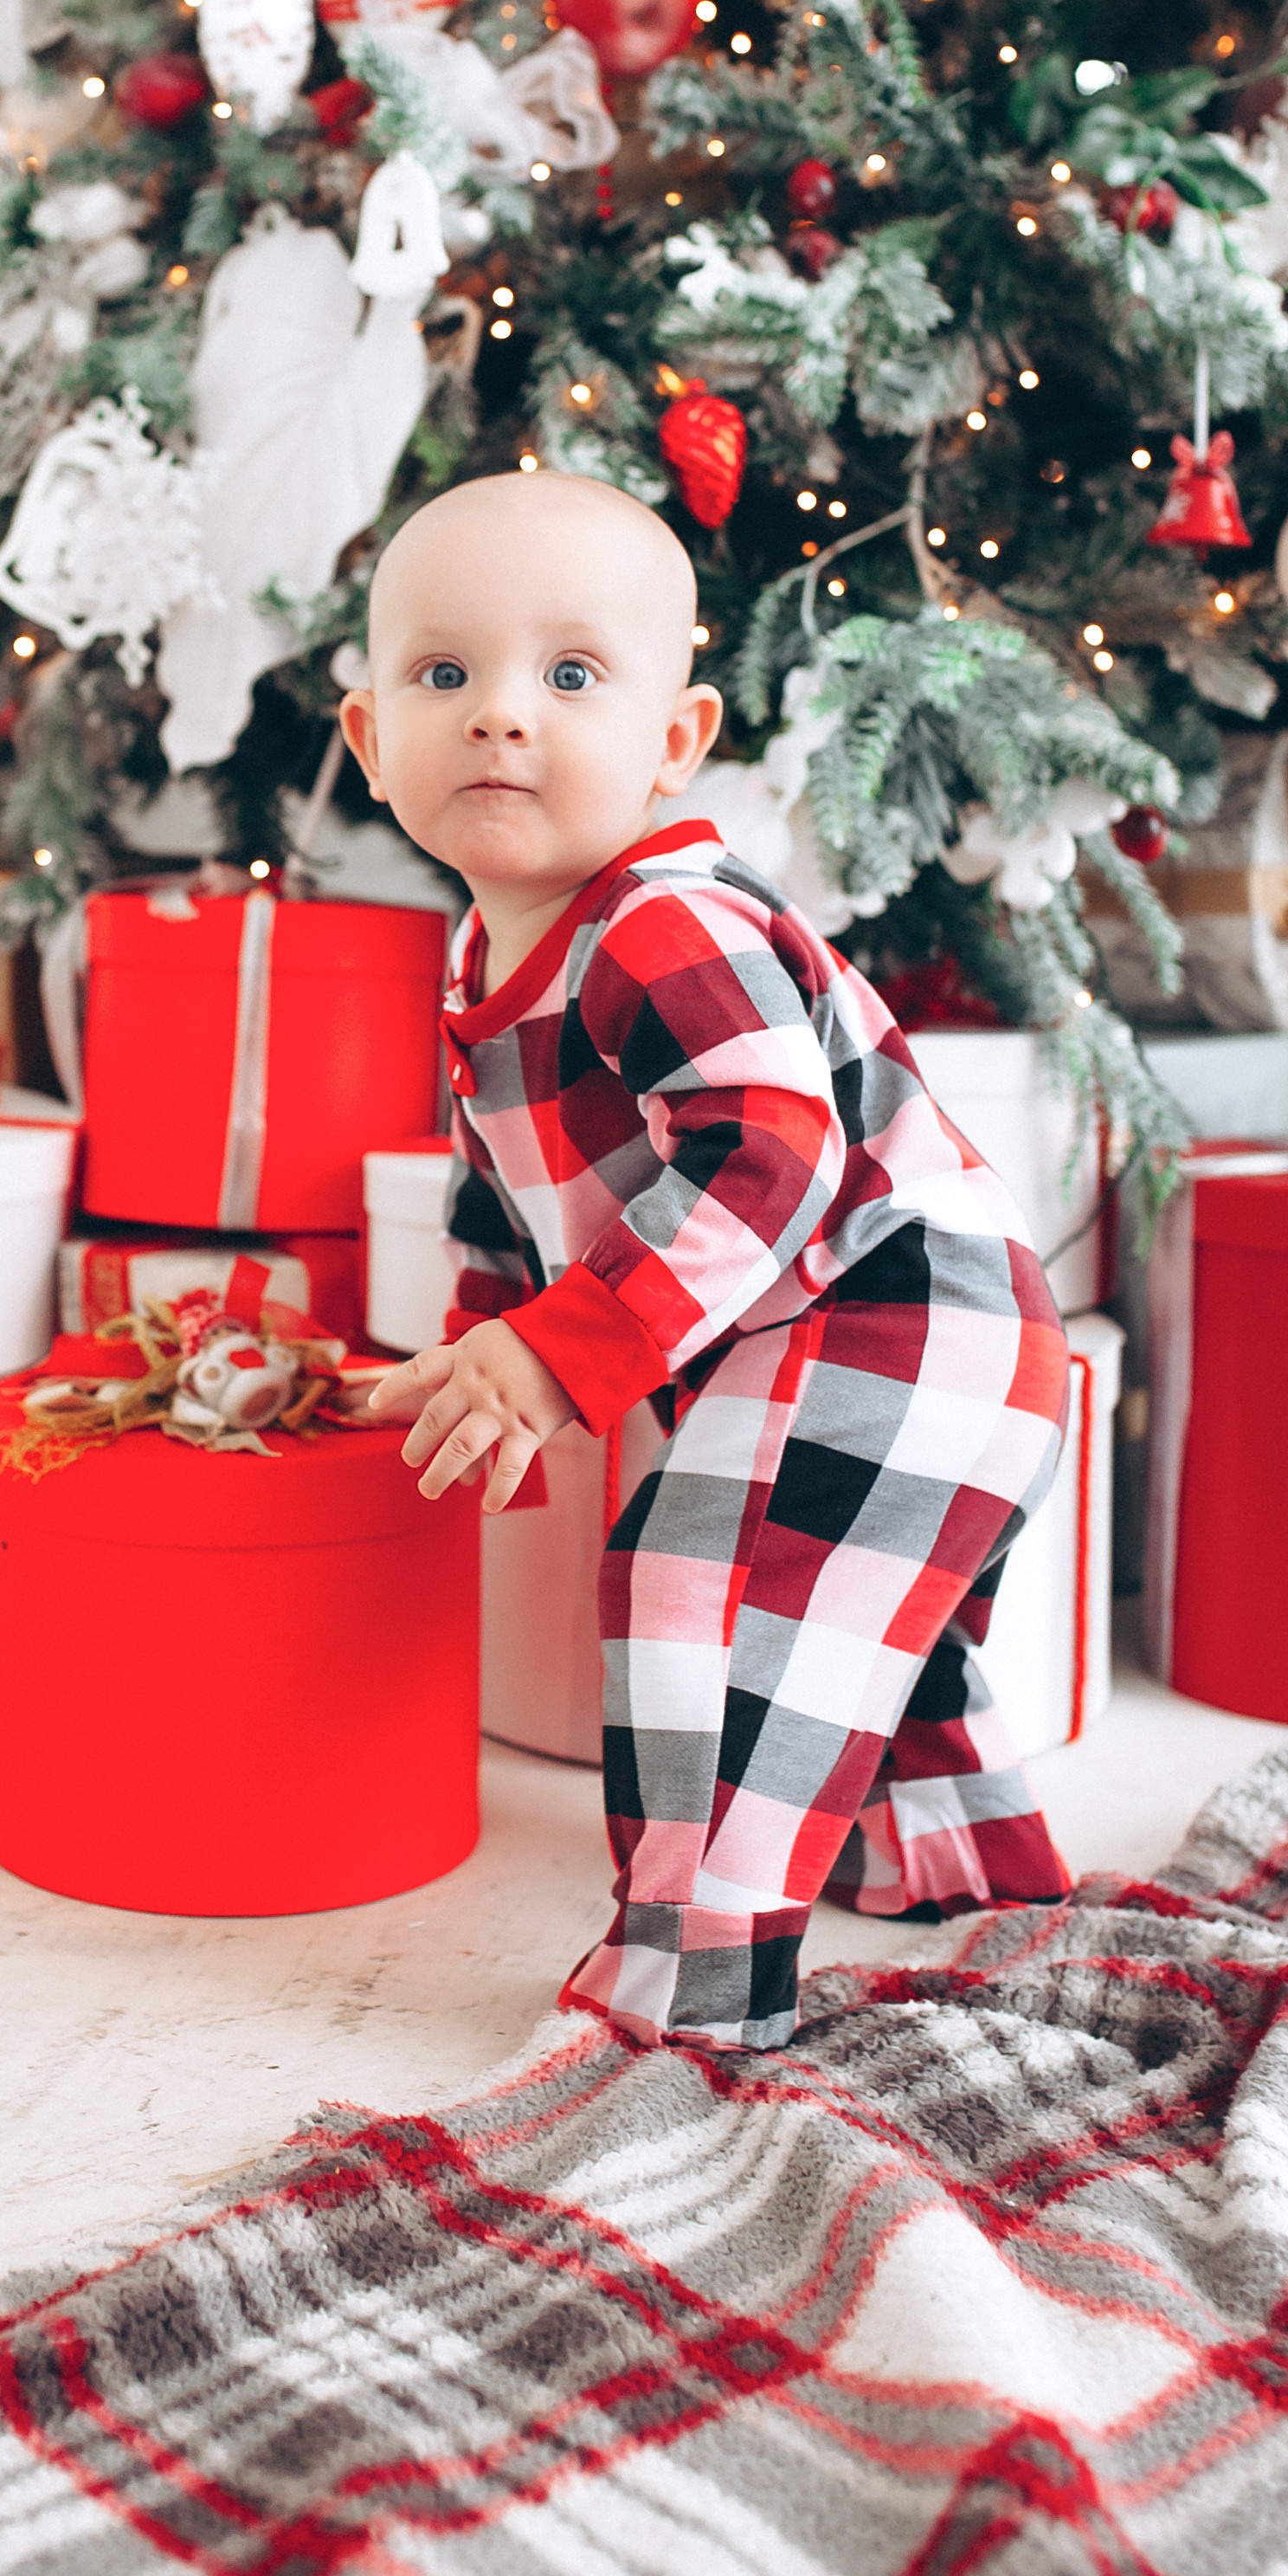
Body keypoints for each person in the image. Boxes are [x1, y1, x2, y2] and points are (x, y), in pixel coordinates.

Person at [340, 467, 1072, 2052]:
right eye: (443, 675)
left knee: (712, 1598)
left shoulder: (661, 921)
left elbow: (774, 1149)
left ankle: (690, 1991)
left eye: (573, 675)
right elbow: (502, 1212)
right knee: (853, 1637)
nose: (499, 718)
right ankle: (959, 1879)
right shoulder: (484, 958)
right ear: (367, 737)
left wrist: (557, 1358)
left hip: (899, 1313)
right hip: (871, 1339)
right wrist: (490, 1367)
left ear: (677, 745)